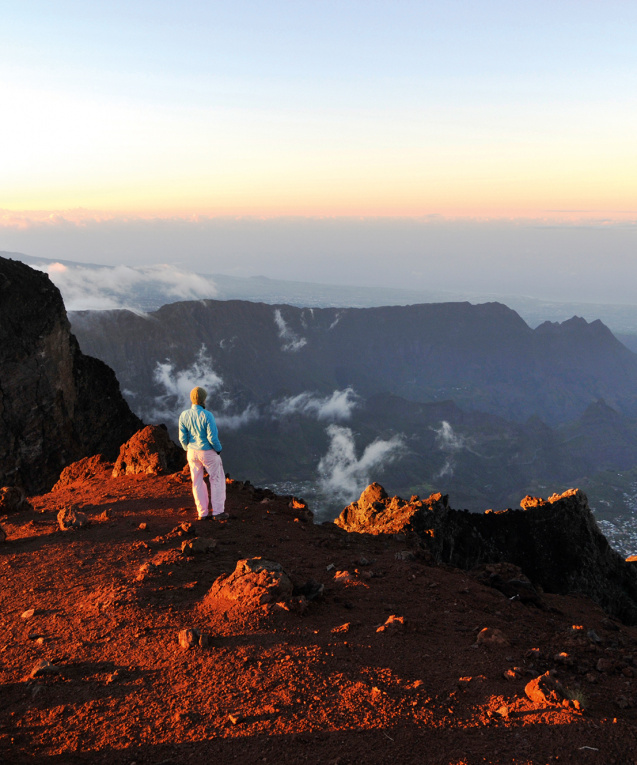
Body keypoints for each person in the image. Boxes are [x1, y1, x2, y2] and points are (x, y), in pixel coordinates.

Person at [178, 386, 228, 521]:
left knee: (197, 481)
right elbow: (212, 437)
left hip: (192, 452)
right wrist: (218, 449)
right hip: (207, 452)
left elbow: (182, 438)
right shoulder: (207, 415)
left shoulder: (184, 415)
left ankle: (202, 513)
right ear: (203, 399)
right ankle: (217, 512)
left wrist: (186, 448)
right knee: (216, 479)